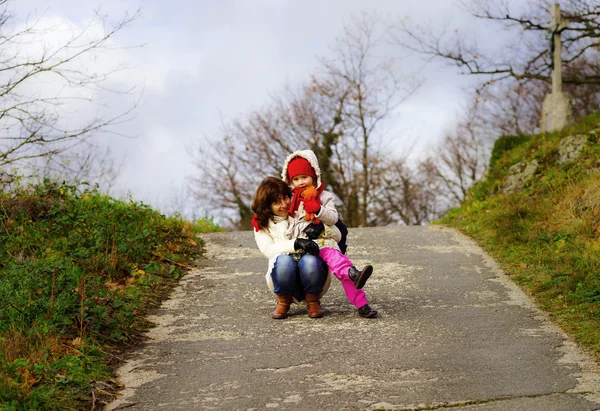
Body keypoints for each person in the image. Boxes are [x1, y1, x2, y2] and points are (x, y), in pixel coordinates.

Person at [281, 149, 378, 318]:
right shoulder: (289, 201)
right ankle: (350, 276)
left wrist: (318, 209)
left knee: (342, 267)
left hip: (323, 243)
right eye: (295, 179)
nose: (300, 182)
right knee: (341, 268)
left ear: (314, 175)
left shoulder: (324, 197)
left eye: (304, 177)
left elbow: (333, 218)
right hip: (301, 247)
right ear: (290, 181)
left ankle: (362, 303)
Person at [251, 177, 333, 319]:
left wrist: (322, 229)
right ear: (267, 206)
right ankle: (283, 301)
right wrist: (295, 244)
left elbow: (336, 234)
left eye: (286, 198)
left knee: (309, 260)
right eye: (277, 202)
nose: (284, 205)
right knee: (284, 261)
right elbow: (268, 250)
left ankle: (313, 301)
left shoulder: (302, 211)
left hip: (313, 273)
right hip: (283, 276)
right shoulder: (262, 224)